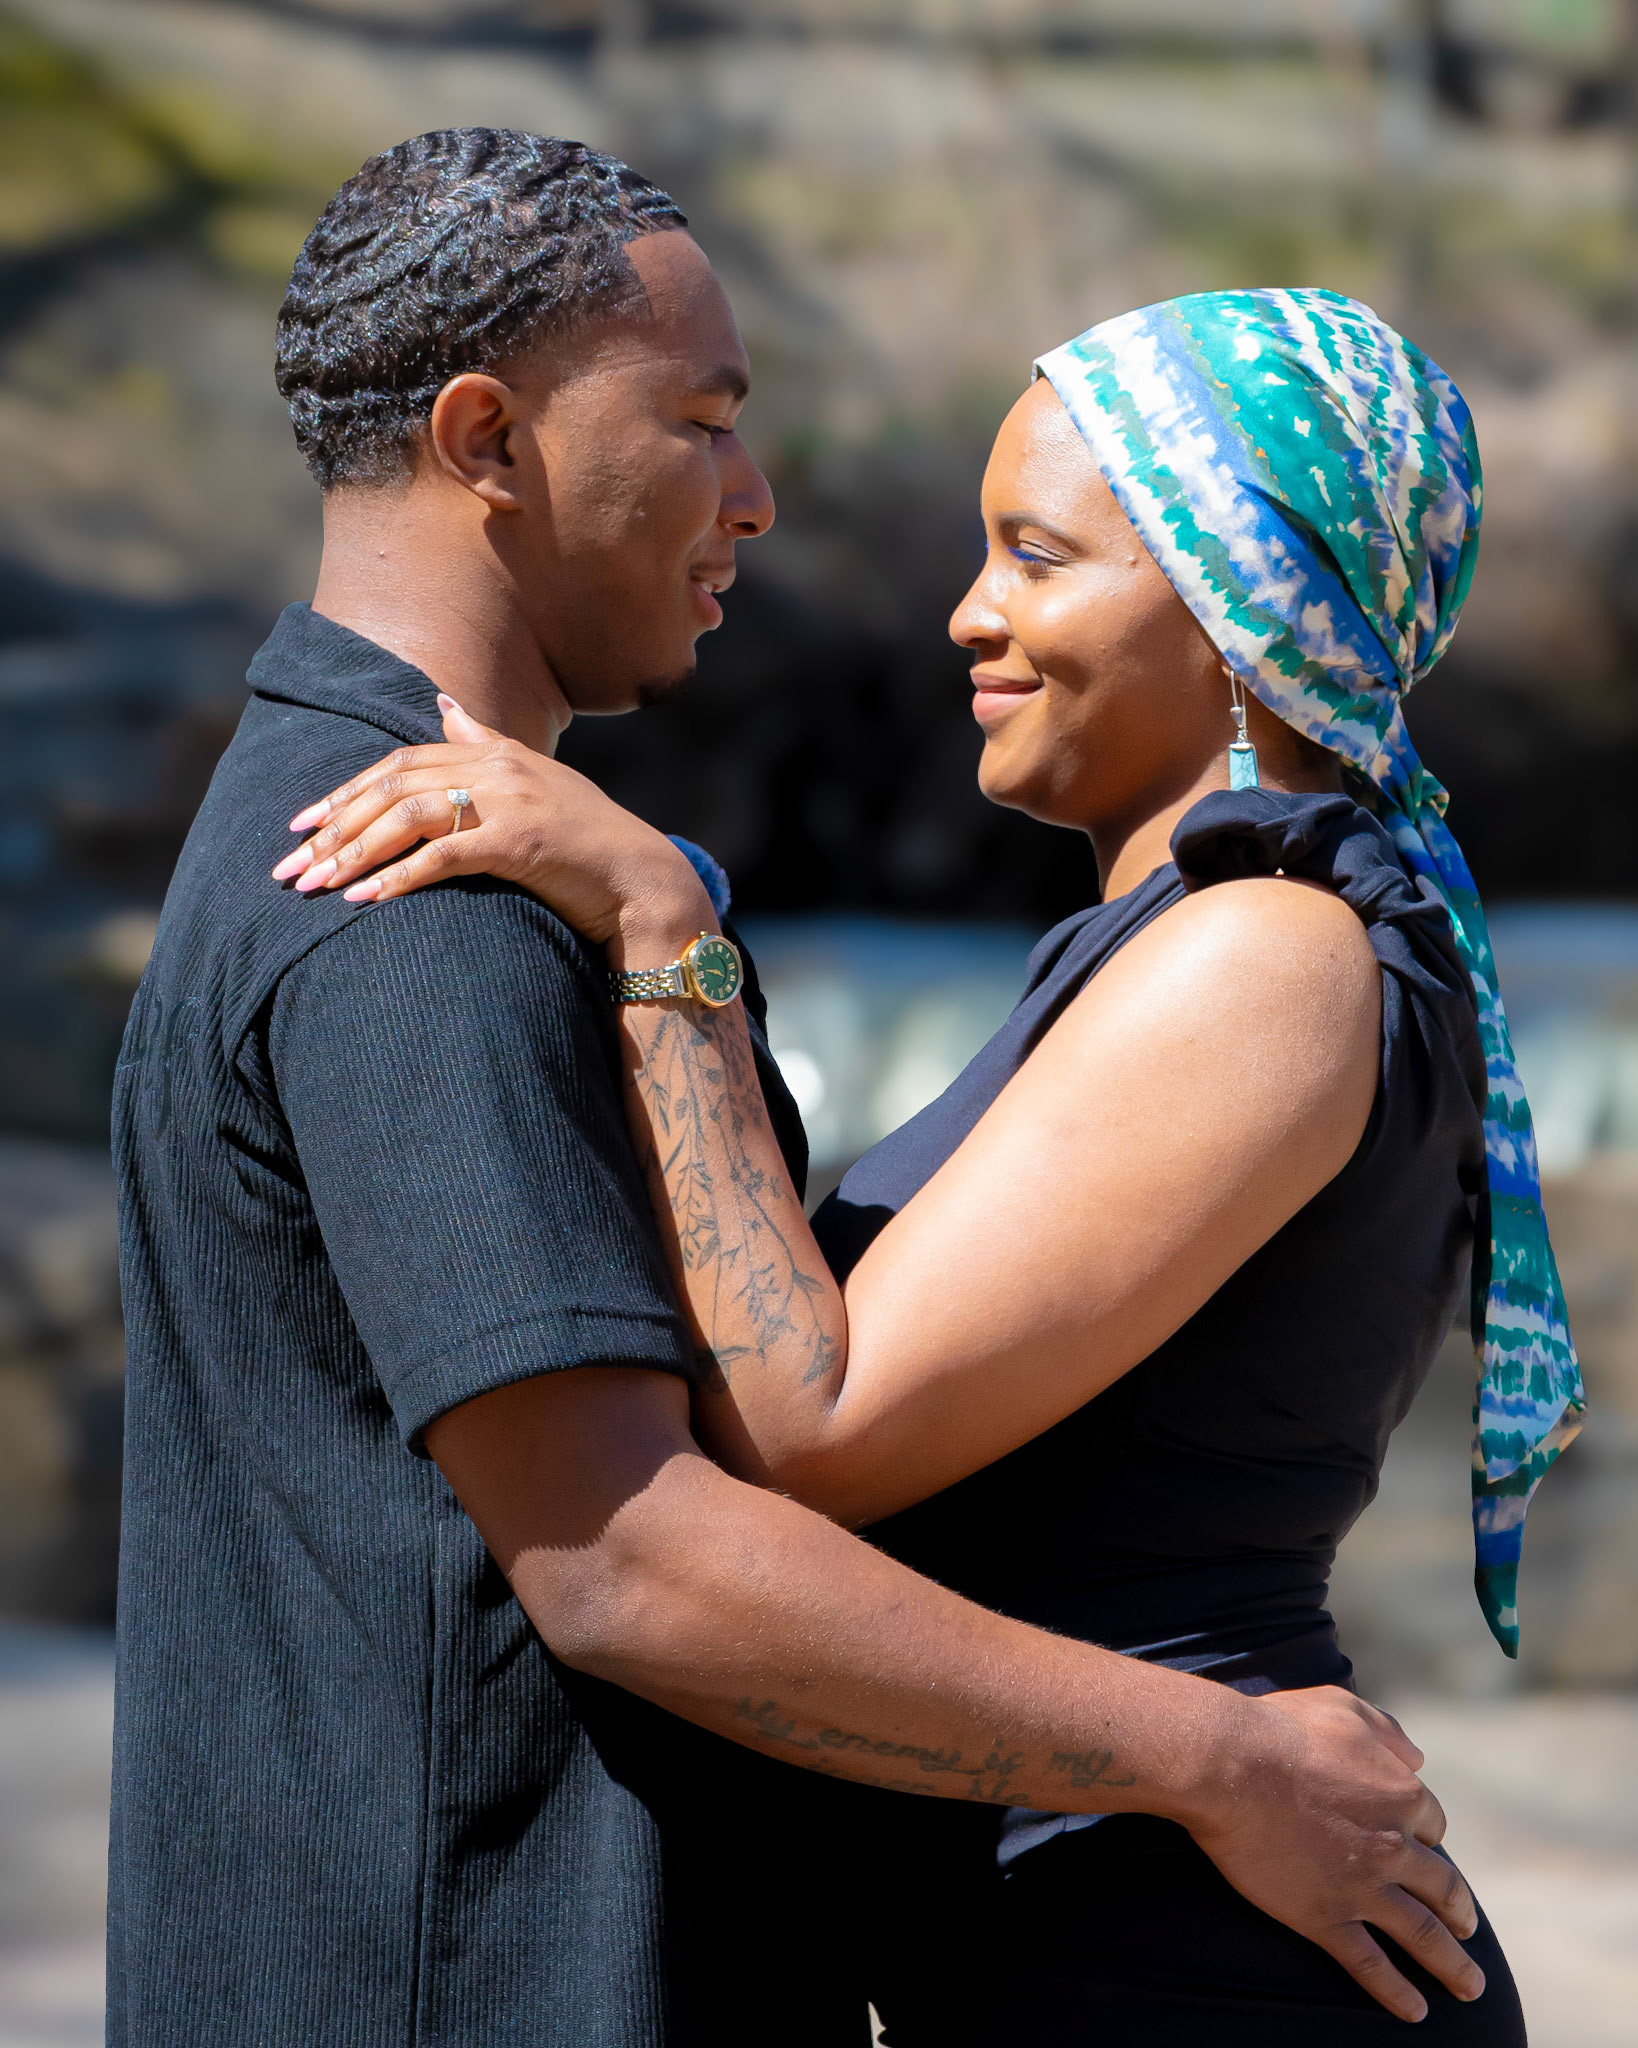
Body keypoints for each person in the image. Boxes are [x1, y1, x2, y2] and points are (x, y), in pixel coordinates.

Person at [111, 135, 1482, 2047]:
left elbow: (783, 1438)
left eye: (1035, 554)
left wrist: (663, 923)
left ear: (1239, 602)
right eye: (701, 422)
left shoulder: (1258, 952)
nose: (761, 498)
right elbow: (630, 1557)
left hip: (1174, 1954)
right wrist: (1212, 1754)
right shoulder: (413, 893)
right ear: (487, 439)